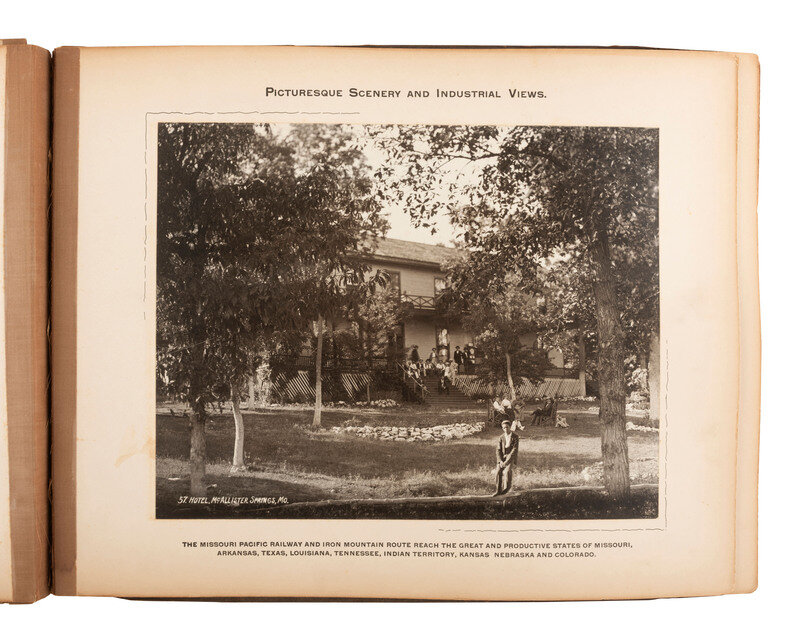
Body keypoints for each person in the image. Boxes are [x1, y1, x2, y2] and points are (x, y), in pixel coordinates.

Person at [493, 420, 519, 496]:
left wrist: (506, 462)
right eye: (504, 428)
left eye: (507, 427)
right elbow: (498, 450)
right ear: (502, 428)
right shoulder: (501, 437)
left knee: (507, 471)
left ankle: (506, 489)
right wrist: (500, 461)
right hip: (502, 458)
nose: (505, 429)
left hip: (510, 457)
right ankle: (498, 490)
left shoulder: (515, 437)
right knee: (498, 471)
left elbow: (514, 450)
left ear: (510, 427)